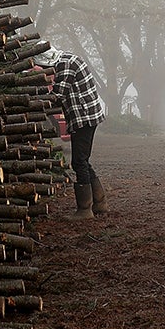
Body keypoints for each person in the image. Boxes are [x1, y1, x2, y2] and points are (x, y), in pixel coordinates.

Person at [36, 47, 108, 219]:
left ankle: (85, 209)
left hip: (84, 117)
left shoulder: (66, 64)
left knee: (79, 162)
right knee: (83, 160)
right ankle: (100, 202)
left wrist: (36, 101)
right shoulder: (67, 60)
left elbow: (57, 95)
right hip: (85, 116)